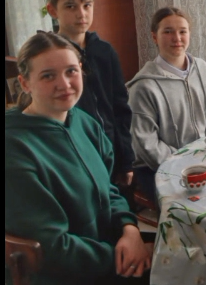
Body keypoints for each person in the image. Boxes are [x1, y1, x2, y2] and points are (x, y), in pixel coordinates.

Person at [5, 32, 151, 285]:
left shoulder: (84, 122)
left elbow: (109, 189)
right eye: (48, 75)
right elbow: (51, 248)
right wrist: (126, 257)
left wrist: (130, 230)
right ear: (25, 83)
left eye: (71, 71)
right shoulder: (14, 147)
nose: (64, 84)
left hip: (109, 253)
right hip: (68, 274)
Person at [127, 6, 206, 198]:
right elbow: (146, 144)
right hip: (160, 169)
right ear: (154, 37)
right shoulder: (144, 86)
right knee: (195, 206)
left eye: (182, 31)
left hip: (205, 160)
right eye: (168, 32)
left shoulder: (203, 70)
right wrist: (184, 162)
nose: (177, 38)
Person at [45, 0, 135, 187]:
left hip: (111, 151)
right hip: (73, 156)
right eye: (70, 6)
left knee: (118, 203)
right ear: (53, 10)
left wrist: (126, 161)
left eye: (87, 5)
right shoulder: (48, 56)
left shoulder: (105, 51)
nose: (81, 14)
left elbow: (120, 108)